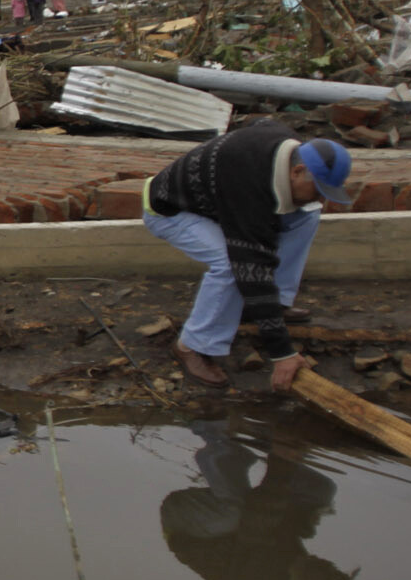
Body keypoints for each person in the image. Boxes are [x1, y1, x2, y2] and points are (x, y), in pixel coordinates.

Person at [141, 121, 355, 390]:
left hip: (218, 204)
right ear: (298, 172)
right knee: (230, 264)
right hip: (172, 212)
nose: (323, 200)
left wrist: (267, 308)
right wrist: (282, 353)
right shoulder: (248, 185)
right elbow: (251, 268)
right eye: (319, 191)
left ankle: (275, 304)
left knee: (307, 215)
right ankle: (193, 346)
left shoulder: (289, 149)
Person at [160, 419, 361, 580]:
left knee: (234, 514)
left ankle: (214, 436)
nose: (332, 567)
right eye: (339, 573)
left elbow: (258, 517)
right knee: (321, 490)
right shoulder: (302, 578)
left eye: (332, 579)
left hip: (185, 524)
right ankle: (264, 439)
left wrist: (283, 460)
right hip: (231, 528)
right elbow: (280, 525)